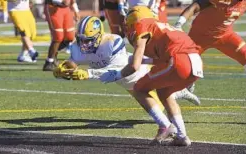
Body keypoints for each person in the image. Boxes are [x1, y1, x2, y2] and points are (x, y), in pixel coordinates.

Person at [53, 16, 202, 146]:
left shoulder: (112, 42)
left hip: (135, 72)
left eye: (88, 40)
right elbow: (74, 61)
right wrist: (65, 68)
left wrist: (88, 73)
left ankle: (167, 123)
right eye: (81, 40)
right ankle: (174, 106)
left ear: (99, 35)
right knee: (156, 94)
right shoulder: (78, 47)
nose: (84, 45)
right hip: (126, 80)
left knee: (152, 93)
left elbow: (116, 70)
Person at [99, 6, 204, 146]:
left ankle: (165, 126)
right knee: (164, 91)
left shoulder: (142, 26)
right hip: (195, 62)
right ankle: (182, 136)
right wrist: (146, 60)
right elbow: (165, 56)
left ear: (133, 20)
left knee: (139, 88)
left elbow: (134, 67)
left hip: (179, 61)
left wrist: (117, 74)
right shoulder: (161, 26)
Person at [174, 0, 246, 72]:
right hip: (199, 37)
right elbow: (194, 7)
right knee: (186, 68)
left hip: (225, 36)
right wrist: (179, 24)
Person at [43, 0, 80, 71]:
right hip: (53, 8)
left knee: (70, 37)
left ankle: (54, 54)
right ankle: (49, 62)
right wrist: (60, 1)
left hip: (66, 9)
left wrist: (76, 10)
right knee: (58, 37)